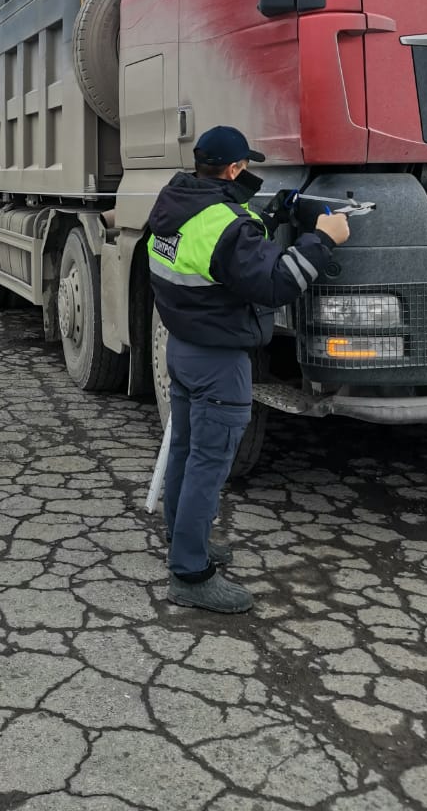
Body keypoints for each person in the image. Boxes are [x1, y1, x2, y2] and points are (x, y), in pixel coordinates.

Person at [146, 125, 350, 614]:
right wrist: (323, 239)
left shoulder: (175, 203)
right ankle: (191, 574)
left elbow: (217, 244)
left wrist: (263, 217)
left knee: (185, 452)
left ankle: (183, 538)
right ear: (235, 168)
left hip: (184, 347)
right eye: (245, 166)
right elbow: (279, 283)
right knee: (207, 465)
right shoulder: (227, 226)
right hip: (219, 360)